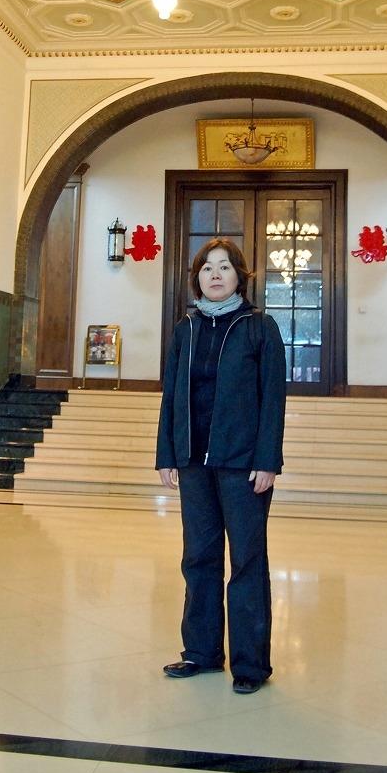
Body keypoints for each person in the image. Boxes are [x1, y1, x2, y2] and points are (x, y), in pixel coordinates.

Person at [155, 237, 286, 695]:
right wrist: (167, 454)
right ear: (197, 278)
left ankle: (250, 665)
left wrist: (268, 460)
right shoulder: (185, 329)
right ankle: (202, 652)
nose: (215, 274)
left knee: (247, 560)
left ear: (240, 277)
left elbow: (273, 399)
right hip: (193, 462)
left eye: (225, 266)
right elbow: (171, 395)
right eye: (207, 267)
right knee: (198, 557)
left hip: (242, 465)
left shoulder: (259, 328)